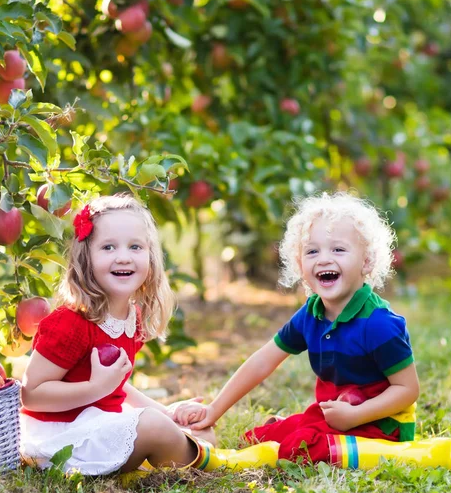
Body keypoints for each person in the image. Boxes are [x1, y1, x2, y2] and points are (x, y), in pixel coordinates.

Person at [21, 194, 279, 477]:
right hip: (60, 440)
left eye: (135, 246)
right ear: (86, 258)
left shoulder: (132, 319)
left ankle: (153, 463)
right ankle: (224, 463)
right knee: (154, 427)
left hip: (99, 423)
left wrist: (166, 411)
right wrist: (95, 389)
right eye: (108, 247)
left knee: (199, 430)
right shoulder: (70, 323)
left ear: (150, 257)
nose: (123, 256)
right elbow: (32, 395)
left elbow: (116, 386)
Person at [174, 191, 423, 466]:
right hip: (334, 415)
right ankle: (290, 428)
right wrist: (213, 410)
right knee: (259, 436)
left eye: (338, 249)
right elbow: (262, 362)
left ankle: (296, 438)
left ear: (366, 261)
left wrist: (356, 415)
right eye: (312, 251)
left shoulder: (378, 324)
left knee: (298, 448)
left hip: (380, 425)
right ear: (299, 263)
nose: (323, 259)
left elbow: (407, 390)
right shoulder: (311, 314)